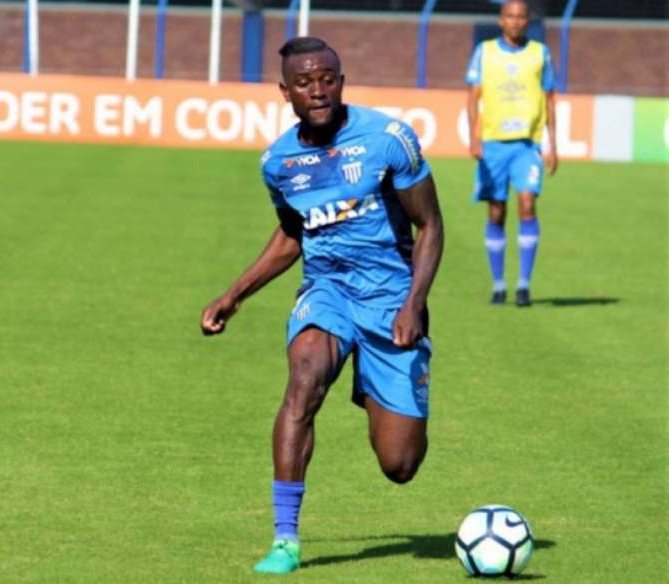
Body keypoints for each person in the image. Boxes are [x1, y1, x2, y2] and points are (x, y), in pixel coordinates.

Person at [200, 37, 444, 574]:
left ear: (341, 80)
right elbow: (293, 234)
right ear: (285, 91)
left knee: (400, 465)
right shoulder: (279, 162)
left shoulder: (388, 139)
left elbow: (430, 225)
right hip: (327, 290)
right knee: (304, 378)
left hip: (390, 299)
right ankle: (285, 538)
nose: (319, 90)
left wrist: (413, 303)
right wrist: (233, 295)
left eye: (328, 78)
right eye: (306, 82)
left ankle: (375, 384)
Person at [466, 0, 557, 307]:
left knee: (528, 204)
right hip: (493, 144)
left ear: (527, 21)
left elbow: (550, 98)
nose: (516, 22)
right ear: (501, 20)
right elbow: (472, 97)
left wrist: (552, 143)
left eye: (521, 17)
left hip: (527, 145)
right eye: (510, 16)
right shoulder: (485, 52)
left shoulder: (540, 53)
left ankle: (523, 285)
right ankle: (499, 284)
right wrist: (474, 138)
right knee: (496, 211)